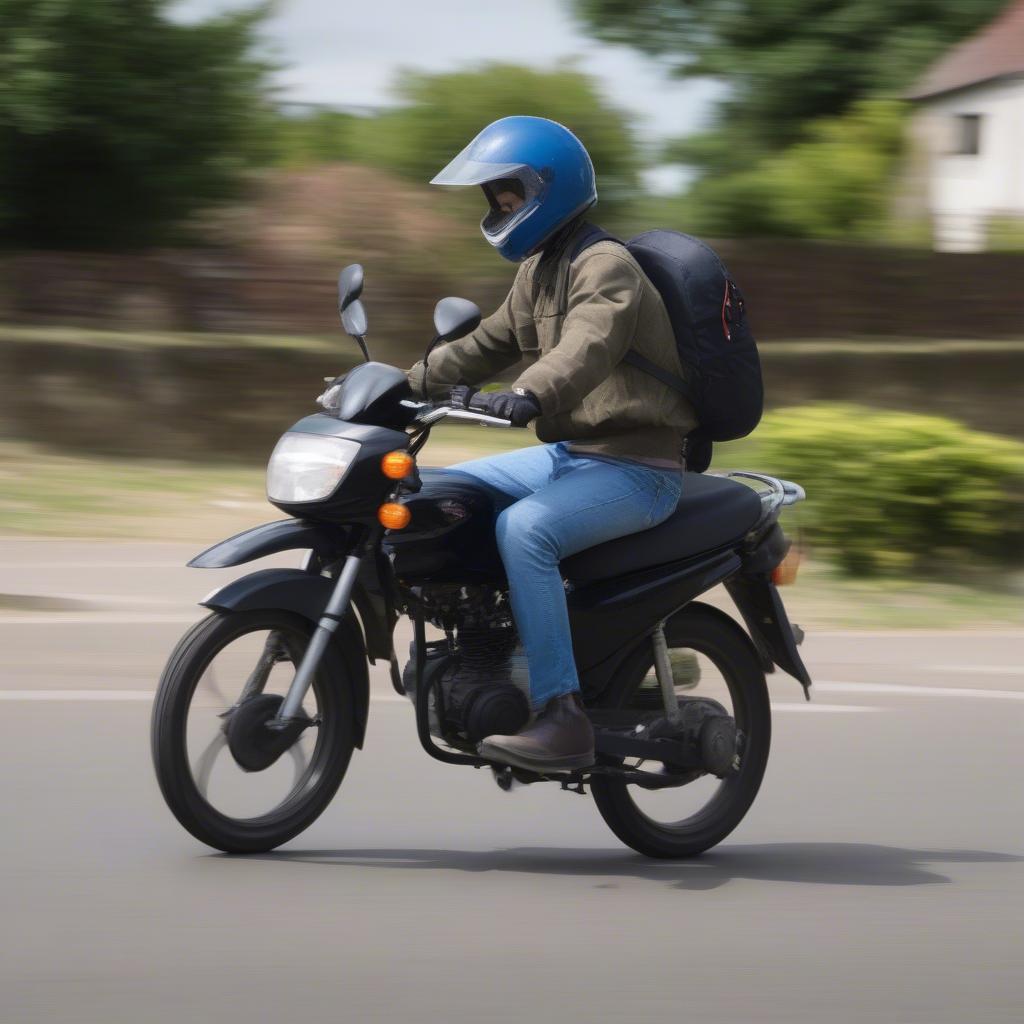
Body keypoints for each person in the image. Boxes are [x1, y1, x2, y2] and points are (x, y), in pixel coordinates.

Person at [407, 115, 696, 772]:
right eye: (496, 198)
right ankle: (487, 644)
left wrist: (531, 393)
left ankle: (563, 715)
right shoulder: (540, 270)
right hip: (572, 456)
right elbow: (482, 347)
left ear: (548, 191)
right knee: (448, 495)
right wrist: (391, 386)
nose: (500, 207)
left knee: (527, 532)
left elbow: (586, 347)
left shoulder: (607, 267)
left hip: (636, 466)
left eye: (509, 195)